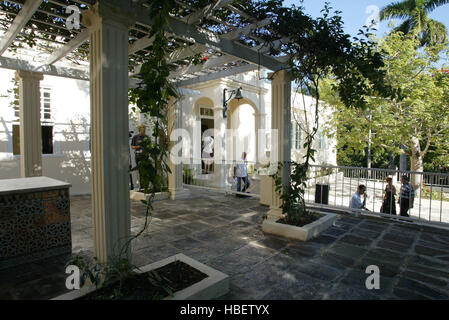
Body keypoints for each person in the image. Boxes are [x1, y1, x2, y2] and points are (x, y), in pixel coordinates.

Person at [131, 125, 149, 191]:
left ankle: (146, 186)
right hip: (138, 156)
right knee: (141, 171)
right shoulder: (135, 137)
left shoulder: (147, 137)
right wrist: (137, 147)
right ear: (139, 130)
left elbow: (149, 146)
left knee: (146, 171)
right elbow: (132, 146)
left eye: (144, 130)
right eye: (142, 130)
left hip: (145, 156)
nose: (143, 131)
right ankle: (141, 186)